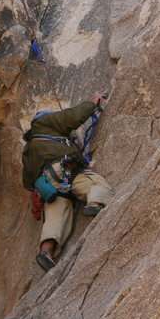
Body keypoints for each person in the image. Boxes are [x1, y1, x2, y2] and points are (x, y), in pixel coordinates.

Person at [22, 95, 113, 272]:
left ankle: (45, 252)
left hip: (49, 183)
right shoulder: (45, 121)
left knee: (55, 219)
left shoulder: (29, 149)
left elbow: (27, 181)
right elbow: (71, 116)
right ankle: (94, 203)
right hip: (66, 169)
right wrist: (92, 104)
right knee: (95, 183)